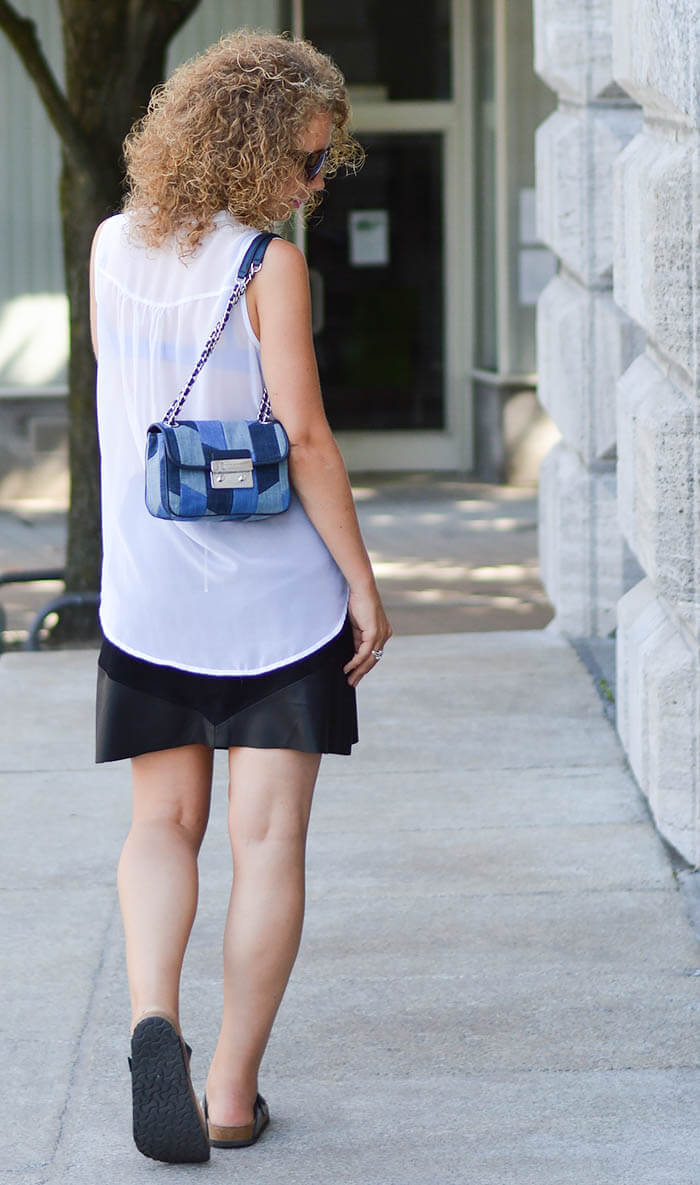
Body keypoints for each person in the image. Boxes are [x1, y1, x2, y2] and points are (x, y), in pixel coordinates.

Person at [89, 30, 391, 1165]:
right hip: (274, 608)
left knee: (160, 825)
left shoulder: (111, 245)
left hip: (148, 600)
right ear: (254, 151)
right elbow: (303, 434)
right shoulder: (267, 263)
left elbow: (127, 410)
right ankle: (226, 1092)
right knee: (268, 844)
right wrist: (362, 583)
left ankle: (148, 1018)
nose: (316, 183)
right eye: (310, 161)